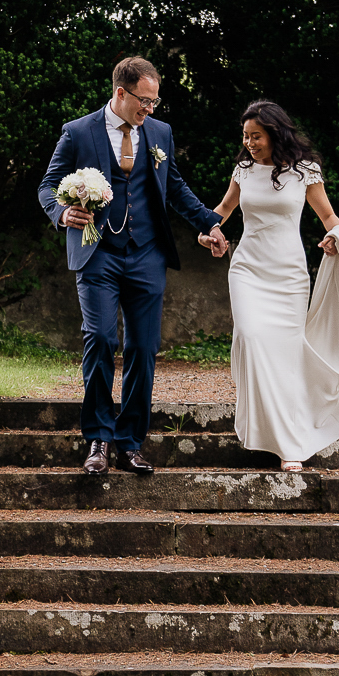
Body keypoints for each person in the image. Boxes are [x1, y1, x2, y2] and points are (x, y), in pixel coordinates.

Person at [38, 57, 230, 475]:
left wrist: (210, 224)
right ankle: (98, 440)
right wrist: (61, 212)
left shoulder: (159, 133)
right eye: (144, 101)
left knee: (144, 348)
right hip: (98, 252)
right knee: (101, 339)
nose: (150, 109)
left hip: (147, 254)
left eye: (155, 101)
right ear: (120, 93)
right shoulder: (78, 131)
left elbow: (174, 187)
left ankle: (130, 442)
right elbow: (48, 185)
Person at [209, 100, 339, 470]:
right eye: (245, 136)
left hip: (288, 274)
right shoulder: (243, 170)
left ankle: (290, 444)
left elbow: (327, 215)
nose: (249, 143)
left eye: (255, 136)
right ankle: (263, 429)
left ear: (274, 133)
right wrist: (211, 231)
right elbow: (222, 210)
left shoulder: (305, 171)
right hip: (247, 270)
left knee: (286, 357)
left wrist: (335, 235)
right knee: (251, 338)